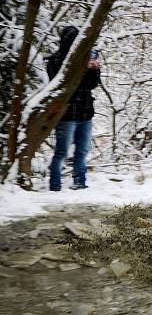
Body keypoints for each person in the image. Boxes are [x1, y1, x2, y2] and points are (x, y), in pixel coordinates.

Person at [46, 26, 101, 191]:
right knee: (61, 152)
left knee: (82, 151)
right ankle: (54, 185)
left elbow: (91, 85)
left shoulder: (84, 59)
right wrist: (79, 67)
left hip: (85, 113)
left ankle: (80, 183)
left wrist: (94, 70)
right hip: (66, 115)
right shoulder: (56, 60)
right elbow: (61, 85)